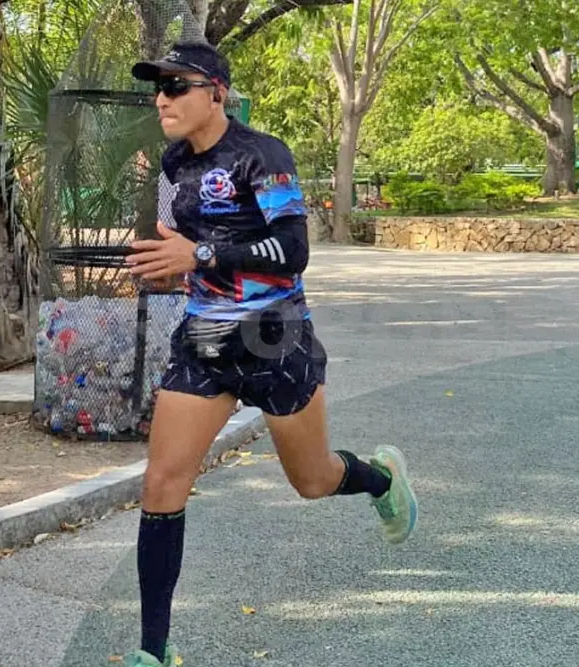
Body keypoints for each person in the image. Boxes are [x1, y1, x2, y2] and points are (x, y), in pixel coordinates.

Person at [123, 41, 418, 667]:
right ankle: (154, 652)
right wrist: (164, 259)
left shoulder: (263, 155)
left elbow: (292, 251)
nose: (163, 98)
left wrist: (200, 256)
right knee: (161, 482)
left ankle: (382, 480)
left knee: (312, 481)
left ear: (216, 92)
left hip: (274, 335)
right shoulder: (173, 165)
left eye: (177, 86)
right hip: (204, 338)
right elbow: (181, 242)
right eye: (159, 86)